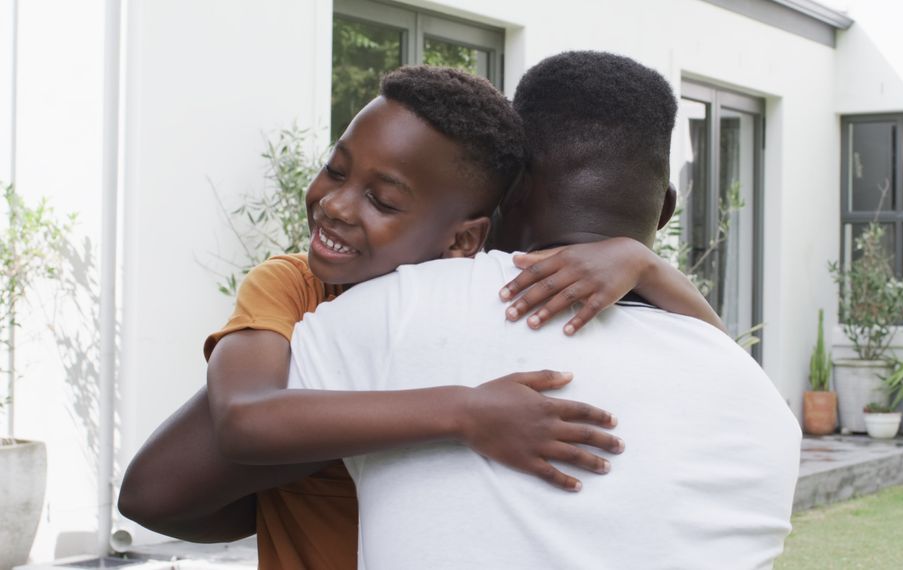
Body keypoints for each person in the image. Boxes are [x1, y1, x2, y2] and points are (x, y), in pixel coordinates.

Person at [119, 65, 722, 568]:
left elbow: (717, 363)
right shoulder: (293, 287)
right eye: (336, 167)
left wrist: (646, 268)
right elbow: (240, 425)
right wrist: (462, 412)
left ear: (464, 239)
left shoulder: (476, 300)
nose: (333, 203)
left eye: (382, 200)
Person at [287, 51, 802, 569]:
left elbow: (207, 493)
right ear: (666, 211)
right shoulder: (765, 408)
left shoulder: (391, 311)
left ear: (507, 192)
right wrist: (651, 269)